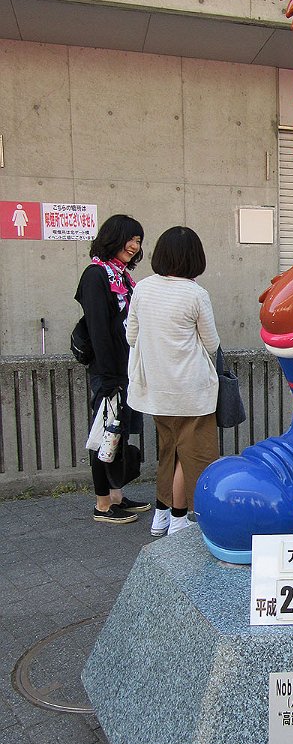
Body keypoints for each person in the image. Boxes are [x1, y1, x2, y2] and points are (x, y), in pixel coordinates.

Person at [126, 226, 221, 536]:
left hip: (155, 388)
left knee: (169, 450)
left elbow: (131, 337)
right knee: (193, 455)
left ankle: (161, 515)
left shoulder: (142, 288)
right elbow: (211, 344)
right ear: (195, 258)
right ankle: (179, 518)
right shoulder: (195, 293)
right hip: (192, 390)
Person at [75, 214, 151, 524]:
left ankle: (117, 496)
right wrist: (108, 378)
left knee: (118, 435)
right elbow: (98, 330)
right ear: (113, 238)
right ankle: (102, 504)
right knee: (103, 435)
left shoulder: (122, 277)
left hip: (125, 370)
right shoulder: (95, 275)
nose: (134, 246)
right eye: (130, 239)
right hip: (108, 373)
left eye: (138, 241)